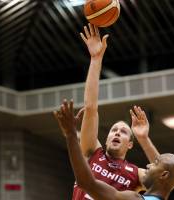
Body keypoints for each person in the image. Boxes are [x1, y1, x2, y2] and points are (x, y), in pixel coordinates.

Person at [69, 23, 159, 199]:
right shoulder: (92, 152)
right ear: (107, 138)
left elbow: (166, 175)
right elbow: (91, 108)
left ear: (130, 144)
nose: (117, 133)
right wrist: (96, 59)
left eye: (124, 132)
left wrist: (144, 138)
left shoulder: (136, 174)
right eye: (113, 130)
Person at [54, 99, 174, 200]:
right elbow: (166, 176)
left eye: (154, 164)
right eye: (114, 130)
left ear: (130, 144)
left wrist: (71, 134)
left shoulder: (132, 196)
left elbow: (86, 183)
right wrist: (144, 138)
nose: (148, 164)